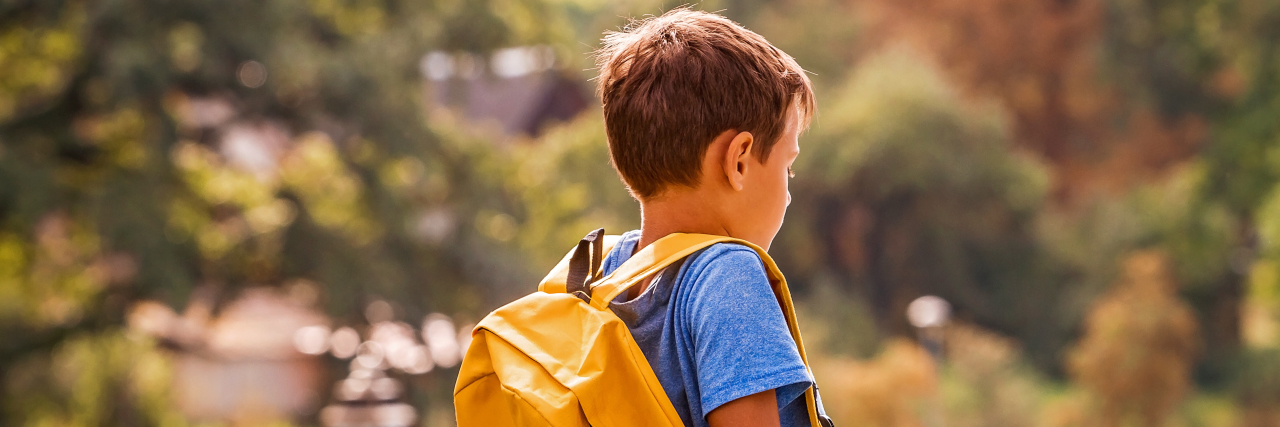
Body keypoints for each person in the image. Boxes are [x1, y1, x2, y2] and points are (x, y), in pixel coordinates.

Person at [592, 8, 828, 427]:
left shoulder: (608, 273)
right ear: (738, 161)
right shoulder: (729, 277)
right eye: (786, 167)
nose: (789, 194)